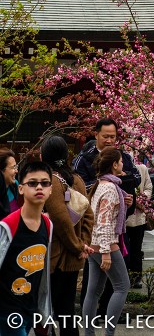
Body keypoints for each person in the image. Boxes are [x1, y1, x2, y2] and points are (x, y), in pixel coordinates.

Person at [41, 135, 94, 336]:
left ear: (43, 155)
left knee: (50, 311)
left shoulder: (51, 182)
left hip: (56, 259)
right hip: (74, 257)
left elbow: (60, 221)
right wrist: (84, 243)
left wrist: (78, 246)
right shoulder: (77, 179)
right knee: (67, 312)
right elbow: (89, 216)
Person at [0, 158, 53, 336]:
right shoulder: (7, 226)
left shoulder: (48, 224)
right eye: (32, 183)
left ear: (51, 189)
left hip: (31, 307)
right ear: (21, 188)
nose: (39, 187)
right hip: (7, 309)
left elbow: (44, 272)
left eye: (45, 183)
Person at [82, 147, 132, 336]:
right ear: (114, 164)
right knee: (122, 286)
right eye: (120, 161)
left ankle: (89, 333)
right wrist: (106, 252)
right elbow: (104, 222)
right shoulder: (111, 188)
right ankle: (109, 332)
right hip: (106, 244)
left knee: (93, 291)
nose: (123, 164)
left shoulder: (100, 184)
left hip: (92, 243)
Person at [125, 159, 153, 288]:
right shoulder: (119, 169)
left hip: (138, 217)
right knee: (125, 250)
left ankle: (136, 278)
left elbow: (148, 187)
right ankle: (125, 277)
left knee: (136, 249)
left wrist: (141, 198)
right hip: (124, 218)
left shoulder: (142, 168)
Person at [0, 149, 20, 220]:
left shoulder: (15, 186)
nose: (16, 171)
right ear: (2, 171)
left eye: (16, 167)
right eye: (13, 167)